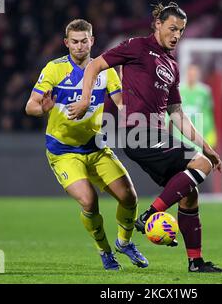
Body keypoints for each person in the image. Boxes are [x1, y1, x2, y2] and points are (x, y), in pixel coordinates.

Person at [68, 3, 222, 273]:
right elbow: (95, 65)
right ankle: (149, 215)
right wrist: (85, 99)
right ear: (157, 24)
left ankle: (196, 262)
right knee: (200, 165)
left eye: (181, 30)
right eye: (172, 28)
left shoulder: (172, 66)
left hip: (157, 133)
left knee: (190, 194)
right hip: (138, 132)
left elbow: (176, 114)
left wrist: (208, 148)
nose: (176, 35)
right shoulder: (136, 47)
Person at [25, 19, 148, 271]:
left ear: (92, 41)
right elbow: (30, 105)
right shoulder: (54, 69)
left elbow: (122, 104)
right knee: (89, 201)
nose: (79, 46)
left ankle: (124, 243)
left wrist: (133, 113)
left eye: (84, 41)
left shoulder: (105, 70)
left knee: (129, 197)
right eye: (74, 42)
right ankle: (104, 251)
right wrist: (42, 109)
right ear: (66, 43)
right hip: (64, 152)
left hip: (96, 147)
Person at [168, 63, 217, 150]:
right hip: (180, 134)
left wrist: (211, 134)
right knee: (181, 159)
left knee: (198, 160)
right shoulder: (178, 90)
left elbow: (208, 114)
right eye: (190, 74)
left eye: (194, 74)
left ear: (198, 75)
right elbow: (169, 112)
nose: (192, 76)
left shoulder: (204, 92)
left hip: (198, 133)